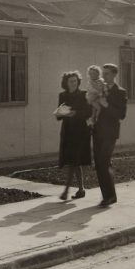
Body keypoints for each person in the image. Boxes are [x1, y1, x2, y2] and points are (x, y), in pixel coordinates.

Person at [92, 63, 127, 208]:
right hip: (97, 131)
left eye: (106, 73)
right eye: (103, 73)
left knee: (104, 162)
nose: (103, 76)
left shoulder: (120, 92)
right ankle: (108, 195)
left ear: (114, 74)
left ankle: (109, 196)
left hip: (110, 132)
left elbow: (121, 114)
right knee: (100, 164)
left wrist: (106, 105)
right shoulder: (99, 89)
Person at [55, 71, 92, 200]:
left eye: (75, 81)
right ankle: (81, 189)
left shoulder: (83, 95)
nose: (74, 83)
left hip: (80, 132)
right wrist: (61, 114)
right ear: (66, 83)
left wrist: (74, 113)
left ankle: (66, 191)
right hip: (67, 132)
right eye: (71, 81)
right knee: (74, 161)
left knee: (74, 161)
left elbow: (88, 112)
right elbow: (59, 116)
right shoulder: (62, 95)